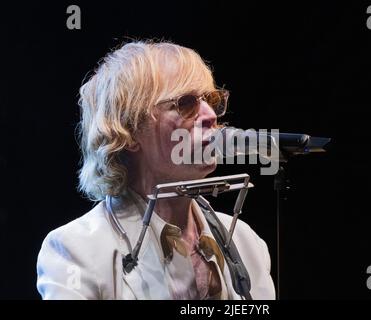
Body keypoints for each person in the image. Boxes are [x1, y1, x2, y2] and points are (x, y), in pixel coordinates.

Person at [36, 40, 275, 300]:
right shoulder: (75, 251)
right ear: (128, 131)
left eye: (212, 99)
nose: (210, 115)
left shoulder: (245, 241)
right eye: (186, 103)